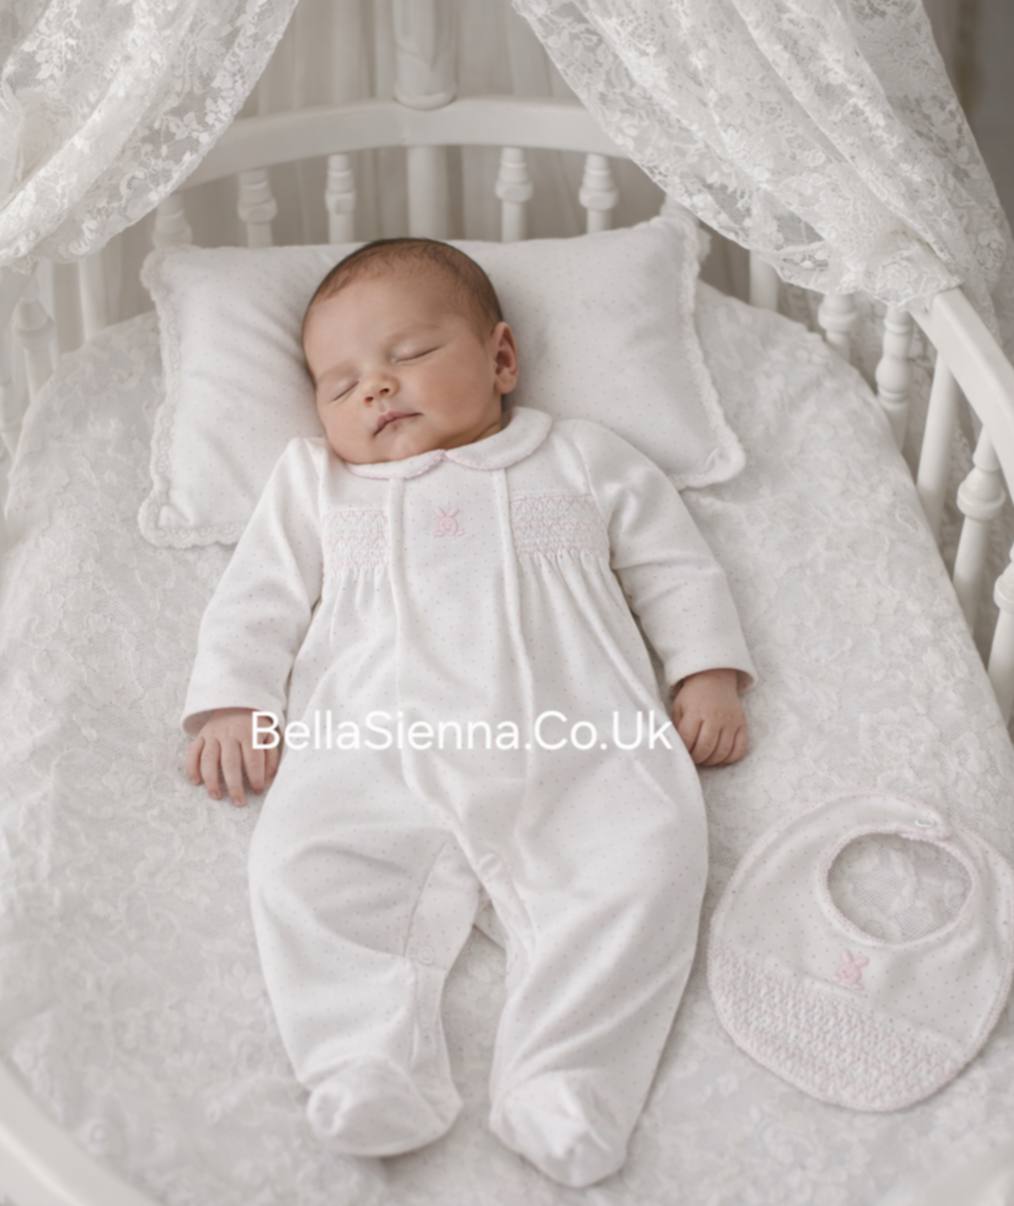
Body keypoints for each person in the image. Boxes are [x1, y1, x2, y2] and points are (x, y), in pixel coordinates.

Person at [181, 237, 758, 1189]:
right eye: (340, 384)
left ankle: (568, 1081)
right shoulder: (317, 484)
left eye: (408, 354)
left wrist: (707, 671)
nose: (375, 387)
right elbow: (257, 596)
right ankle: (364, 1063)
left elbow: (674, 564)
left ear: (501, 359)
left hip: (577, 739)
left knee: (644, 864)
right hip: (373, 743)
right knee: (304, 872)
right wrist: (234, 702)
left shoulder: (581, 457)